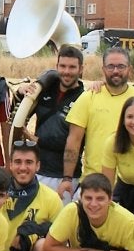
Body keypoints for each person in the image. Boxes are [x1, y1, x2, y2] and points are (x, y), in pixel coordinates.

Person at [61, 46, 134, 198]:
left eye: (121, 66)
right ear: (103, 69)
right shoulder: (89, 97)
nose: (116, 71)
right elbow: (74, 140)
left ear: (129, 69)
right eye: (111, 66)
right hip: (94, 184)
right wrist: (67, 178)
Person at [18, 44, 85, 193]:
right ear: (57, 66)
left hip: (67, 178)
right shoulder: (44, 90)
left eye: (72, 67)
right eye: (62, 66)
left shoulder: (85, 98)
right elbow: (16, 116)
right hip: (38, 171)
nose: (66, 72)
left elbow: (76, 141)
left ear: (81, 69)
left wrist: (37, 140)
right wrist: (21, 92)